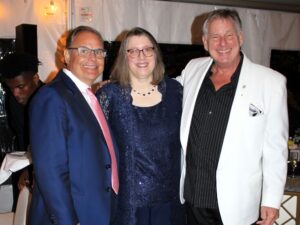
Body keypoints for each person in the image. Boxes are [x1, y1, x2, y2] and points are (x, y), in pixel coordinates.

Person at [177, 9, 288, 225]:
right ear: (205, 42)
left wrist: (272, 200)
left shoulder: (271, 83)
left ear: (241, 37)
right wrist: (121, 85)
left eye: (229, 35)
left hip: (238, 205)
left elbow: (276, 148)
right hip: (192, 199)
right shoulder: (193, 69)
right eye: (215, 37)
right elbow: (163, 90)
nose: (223, 43)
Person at [28, 25, 119, 225]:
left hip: (96, 211)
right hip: (73, 217)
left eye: (98, 52)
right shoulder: (52, 97)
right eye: (84, 51)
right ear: (67, 56)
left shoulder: (89, 96)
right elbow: (50, 171)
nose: (92, 58)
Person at [96, 27, 185, 225]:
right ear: (124, 57)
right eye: (133, 51)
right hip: (128, 206)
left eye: (147, 49)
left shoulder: (175, 91)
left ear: (156, 53)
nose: (141, 56)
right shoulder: (109, 95)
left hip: (169, 203)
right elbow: (93, 146)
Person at [0, 52, 43, 210]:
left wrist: (31, 169)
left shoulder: (50, 100)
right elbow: (22, 137)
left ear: (35, 79)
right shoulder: (14, 102)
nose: (15, 94)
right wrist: (24, 168)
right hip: (26, 163)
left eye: (20, 87)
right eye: (10, 88)